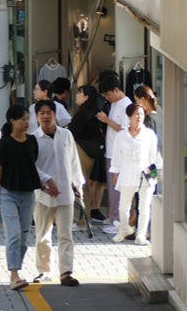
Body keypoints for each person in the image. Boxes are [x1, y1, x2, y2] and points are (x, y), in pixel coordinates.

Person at [0, 105, 57, 291]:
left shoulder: (31, 141)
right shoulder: (3, 143)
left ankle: (16, 271)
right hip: (7, 194)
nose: (27, 122)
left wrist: (44, 185)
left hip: (28, 195)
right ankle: (14, 275)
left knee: (23, 236)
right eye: (22, 119)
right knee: (13, 235)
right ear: (12, 121)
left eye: (28, 118)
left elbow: (32, 167)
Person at [32, 99, 85, 286]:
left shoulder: (66, 135)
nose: (46, 116)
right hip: (43, 195)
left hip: (65, 194)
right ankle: (44, 271)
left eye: (49, 113)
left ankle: (66, 272)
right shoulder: (33, 139)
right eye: (42, 113)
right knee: (43, 235)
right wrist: (46, 182)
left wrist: (78, 185)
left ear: (55, 115)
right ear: (37, 117)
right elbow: (32, 167)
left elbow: (73, 161)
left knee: (65, 234)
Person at [110, 103, 160, 246]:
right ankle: (124, 229)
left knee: (144, 207)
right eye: (136, 114)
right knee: (123, 206)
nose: (139, 117)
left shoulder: (149, 134)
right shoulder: (121, 135)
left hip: (146, 173)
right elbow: (117, 156)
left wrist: (155, 175)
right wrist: (115, 172)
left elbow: (154, 156)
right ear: (129, 116)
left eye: (142, 114)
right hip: (127, 172)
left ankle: (141, 235)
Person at [97, 74, 132, 232]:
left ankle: (119, 222)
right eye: (105, 95)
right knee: (113, 189)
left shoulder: (126, 105)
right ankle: (114, 219)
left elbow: (127, 130)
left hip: (120, 155)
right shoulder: (114, 104)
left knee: (118, 189)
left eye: (108, 94)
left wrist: (107, 121)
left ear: (117, 89)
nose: (107, 97)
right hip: (111, 153)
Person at [67, 84, 106, 223]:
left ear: (86, 97)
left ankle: (82, 219)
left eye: (79, 93)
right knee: (84, 185)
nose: (76, 95)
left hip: (82, 152)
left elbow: (72, 133)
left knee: (79, 184)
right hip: (90, 153)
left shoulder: (83, 114)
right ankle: (84, 218)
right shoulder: (93, 112)